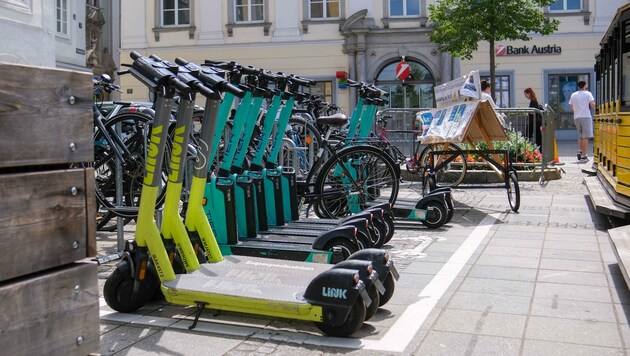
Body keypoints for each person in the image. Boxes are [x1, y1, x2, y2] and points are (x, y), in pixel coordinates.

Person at [568, 80, 595, 161]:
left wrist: (576, 111)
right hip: (586, 116)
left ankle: (579, 150)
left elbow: (570, 105)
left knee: (580, 135)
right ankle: (584, 155)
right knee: (585, 137)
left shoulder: (573, 94)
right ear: (585, 85)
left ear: (578, 86)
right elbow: (592, 104)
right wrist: (598, 110)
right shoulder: (588, 93)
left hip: (577, 117)